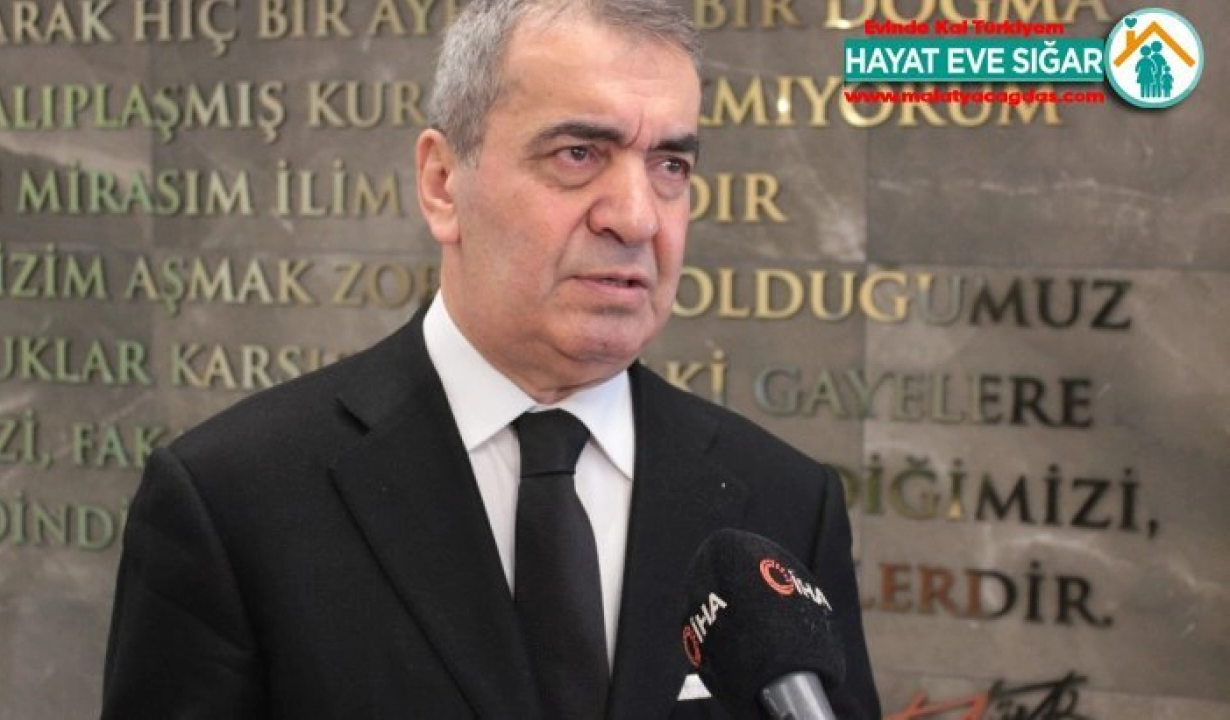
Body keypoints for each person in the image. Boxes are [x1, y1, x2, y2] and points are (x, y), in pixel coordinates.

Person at [100, 0, 881, 717]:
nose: (637, 217)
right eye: (578, 153)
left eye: (670, 166)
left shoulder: (784, 505)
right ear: (443, 184)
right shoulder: (232, 503)